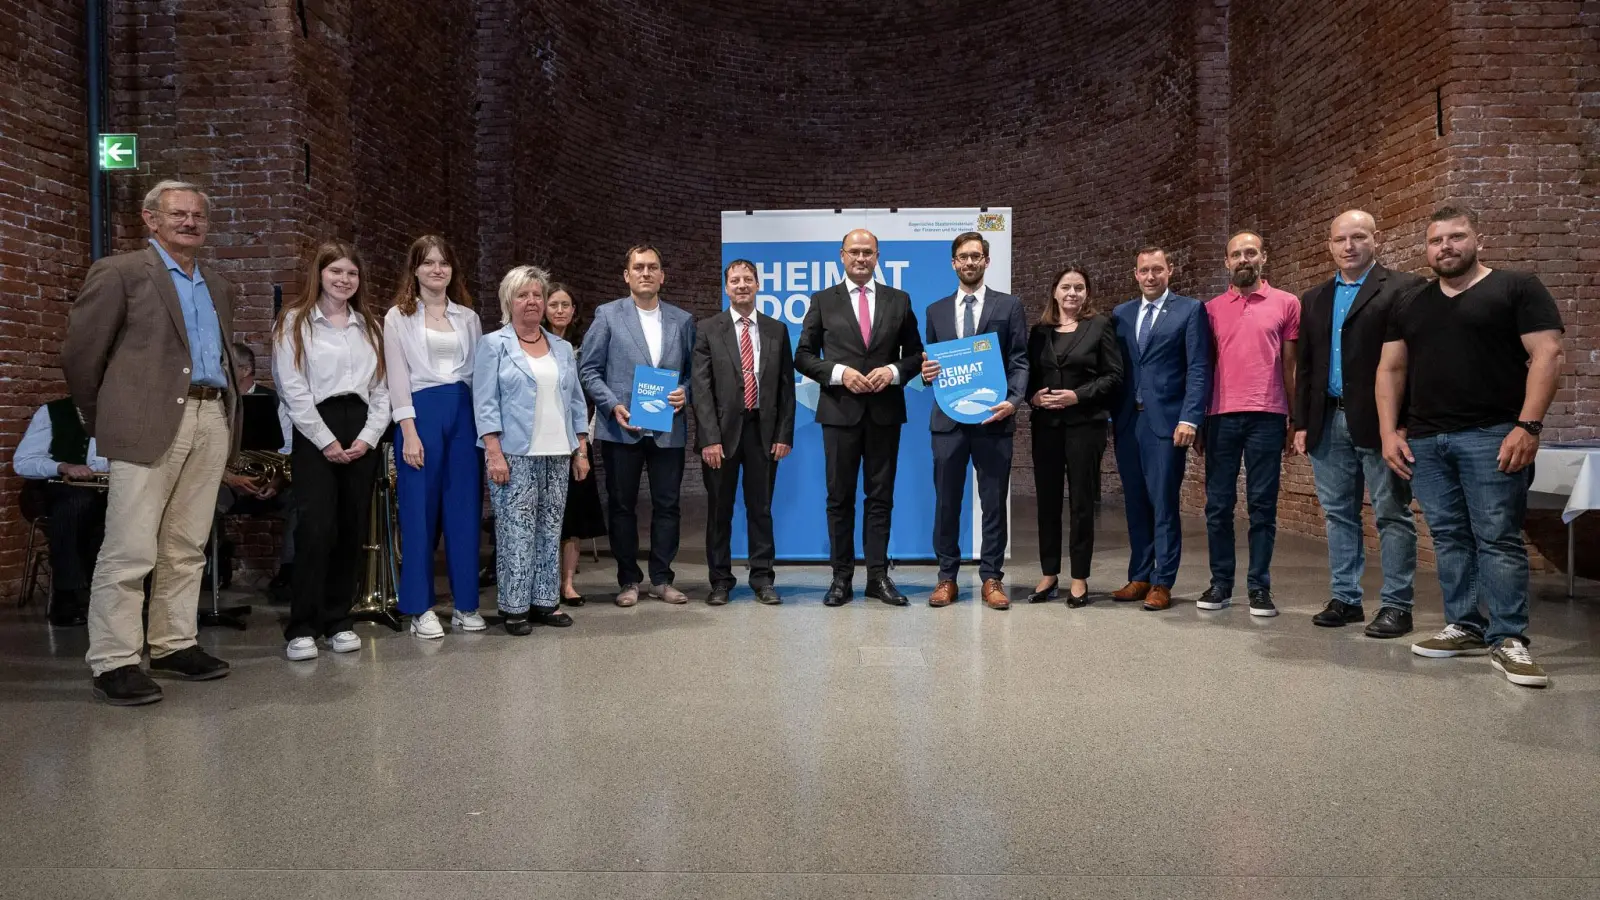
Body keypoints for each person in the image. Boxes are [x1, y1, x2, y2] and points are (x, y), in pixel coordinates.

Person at [63, 179, 237, 705]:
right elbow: (81, 356)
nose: (189, 222)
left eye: (197, 216)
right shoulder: (119, 273)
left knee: (185, 545)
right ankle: (114, 659)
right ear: (151, 220)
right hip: (146, 422)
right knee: (130, 546)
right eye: (177, 214)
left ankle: (172, 643)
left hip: (210, 416)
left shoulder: (219, 285)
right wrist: (105, 419)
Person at [1378, 205, 1564, 688]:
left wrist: (1528, 426)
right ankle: (1464, 624)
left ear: (1476, 239)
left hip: (1492, 435)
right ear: (1427, 248)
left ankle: (1508, 639)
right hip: (1425, 439)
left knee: (1498, 536)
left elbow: (1548, 354)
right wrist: (1388, 431)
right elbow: (1391, 369)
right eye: (1437, 240)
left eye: (1456, 237)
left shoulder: (1515, 287)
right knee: (1448, 535)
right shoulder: (1411, 303)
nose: (1446, 247)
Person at [1293, 210, 1425, 637]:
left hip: (1380, 422)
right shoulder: (1313, 298)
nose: (1348, 247)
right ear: (1329, 245)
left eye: (1357, 237)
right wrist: (1300, 423)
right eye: (1339, 240)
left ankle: (1396, 605)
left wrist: (1404, 424)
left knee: (1391, 512)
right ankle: (1346, 598)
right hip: (1327, 420)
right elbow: (1306, 366)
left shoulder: (1404, 289)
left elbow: (1415, 365)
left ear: (1375, 239)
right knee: (1338, 514)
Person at [794, 229, 924, 607]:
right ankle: (841, 579)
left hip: (884, 414)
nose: (861, 258)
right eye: (855, 252)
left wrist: (894, 372)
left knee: (880, 497)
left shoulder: (899, 301)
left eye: (868, 252)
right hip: (839, 413)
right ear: (842, 256)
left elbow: (916, 355)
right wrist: (839, 373)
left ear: (878, 256)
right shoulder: (822, 301)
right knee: (839, 498)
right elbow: (802, 355)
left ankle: (878, 577)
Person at [273, 241, 390, 662]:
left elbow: (382, 389)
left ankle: (340, 619)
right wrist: (325, 440)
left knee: (351, 528)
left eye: (352, 274)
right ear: (319, 274)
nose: (344, 280)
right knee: (315, 529)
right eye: (336, 271)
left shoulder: (370, 326)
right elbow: (292, 388)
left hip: (361, 428)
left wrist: (369, 437)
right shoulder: (295, 323)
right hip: (315, 428)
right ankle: (303, 625)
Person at [475, 266, 589, 634]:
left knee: (549, 528)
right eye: (523, 295)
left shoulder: (560, 348)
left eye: (537, 295)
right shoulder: (494, 344)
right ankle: (514, 606)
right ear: (509, 300)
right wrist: (493, 451)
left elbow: (575, 401)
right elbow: (485, 402)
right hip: (513, 453)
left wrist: (581, 448)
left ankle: (544, 601)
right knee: (515, 531)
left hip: (557, 451)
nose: (532, 302)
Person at [578, 245, 695, 606]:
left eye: (653, 267)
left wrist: (685, 393)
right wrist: (612, 406)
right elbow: (589, 369)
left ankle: (661, 578)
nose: (646, 273)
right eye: (638, 267)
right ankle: (628, 579)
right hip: (621, 429)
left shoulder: (683, 320)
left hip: (667, 428)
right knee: (622, 506)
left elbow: (693, 373)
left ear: (663, 276)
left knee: (668, 505)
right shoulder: (608, 315)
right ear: (626, 275)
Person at [918, 232, 1028, 610]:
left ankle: (992, 577)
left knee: (994, 502)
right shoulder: (935, 311)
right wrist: (927, 372)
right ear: (953, 263)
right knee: (947, 502)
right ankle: (946, 577)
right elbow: (928, 366)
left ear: (986, 261)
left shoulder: (1009, 306)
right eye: (963, 257)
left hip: (993, 420)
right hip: (948, 423)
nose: (969, 262)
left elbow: (1019, 360)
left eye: (976, 256)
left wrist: (1014, 401)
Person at [384, 235, 485, 640]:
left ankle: (465, 604)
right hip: (420, 416)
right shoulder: (396, 317)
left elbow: (478, 376)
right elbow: (397, 378)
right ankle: (420, 608)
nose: (437, 269)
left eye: (443, 263)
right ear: (415, 270)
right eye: (428, 263)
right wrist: (408, 431)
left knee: (463, 511)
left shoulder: (468, 317)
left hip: (464, 414)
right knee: (418, 514)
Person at [1198, 231, 1300, 617]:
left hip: (1268, 416)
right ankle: (1220, 583)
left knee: (1262, 505)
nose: (1244, 259)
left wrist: (1295, 417)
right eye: (1236, 254)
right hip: (1221, 416)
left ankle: (1259, 586)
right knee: (1218, 505)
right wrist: (1200, 418)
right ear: (1226, 263)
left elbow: (1291, 365)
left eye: (1250, 252)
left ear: (1263, 258)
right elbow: (1204, 367)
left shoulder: (1287, 303)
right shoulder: (1209, 310)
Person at [1109, 246, 1211, 612]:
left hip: (1167, 423)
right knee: (1135, 501)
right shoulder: (1121, 314)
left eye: (1157, 270)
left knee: (1163, 502)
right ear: (1135, 274)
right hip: (1127, 421)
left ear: (1169, 271)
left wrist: (1190, 417)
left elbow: (1199, 367)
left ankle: (1163, 581)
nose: (1150, 276)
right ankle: (1140, 576)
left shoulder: (1189, 310)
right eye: (1143, 271)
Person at [691, 259, 796, 606]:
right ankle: (720, 581)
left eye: (747, 279)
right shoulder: (708, 328)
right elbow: (701, 388)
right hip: (721, 435)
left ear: (757, 285)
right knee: (719, 510)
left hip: (763, 434)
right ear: (726, 287)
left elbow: (785, 389)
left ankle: (762, 578)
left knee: (760, 508)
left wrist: (784, 434)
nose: (741, 285)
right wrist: (709, 438)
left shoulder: (776, 330)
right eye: (734, 280)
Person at [1026, 266, 1122, 607]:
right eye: (1066, 287)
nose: (1072, 293)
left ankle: (1079, 577)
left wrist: (1077, 395)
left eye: (1079, 288)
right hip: (1046, 427)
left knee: (1082, 502)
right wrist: (1032, 398)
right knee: (1047, 503)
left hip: (1085, 426)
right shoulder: (1038, 332)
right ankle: (1049, 574)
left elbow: (1114, 376)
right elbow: (1028, 378)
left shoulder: (1100, 326)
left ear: (1087, 293)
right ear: (1054, 292)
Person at [11, 396, 109, 626]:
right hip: (61, 490)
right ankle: (67, 595)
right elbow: (23, 462)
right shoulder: (53, 412)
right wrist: (63, 466)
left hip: (107, 491)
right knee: (75, 504)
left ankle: (127, 595)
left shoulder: (125, 414)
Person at [208, 341, 295, 595]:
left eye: (227, 366)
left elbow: (287, 451)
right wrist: (231, 477)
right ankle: (209, 568)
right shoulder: (214, 403)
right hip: (227, 484)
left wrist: (276, 482)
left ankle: (289, 574)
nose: (221, 371)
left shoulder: (276, 402)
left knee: (302, 502)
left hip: (269, 485)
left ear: (245, 370)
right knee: (202, 502)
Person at [543, 283, 606, 605]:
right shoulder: (531, 344)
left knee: (573, 517)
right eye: (553, 304)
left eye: (565, 304)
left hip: (577, 439)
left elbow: (589, 395)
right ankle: (543, 582)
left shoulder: (583, 348)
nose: (559, 310)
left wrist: (583, 441)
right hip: (541, 440)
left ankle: (567, 583)